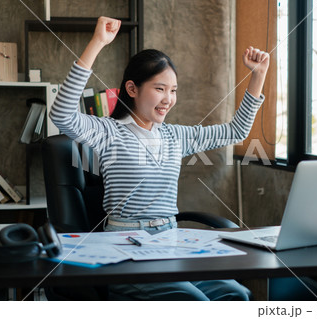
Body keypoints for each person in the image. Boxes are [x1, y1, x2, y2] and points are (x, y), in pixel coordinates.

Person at [50, 16, 269, 301]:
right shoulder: (108, 132)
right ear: (132, 89)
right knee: (196, 303)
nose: (168, 99)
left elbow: (236, 131)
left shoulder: (174, 136)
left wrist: (258, 75)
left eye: (173, 90)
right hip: (124, 248)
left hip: (170, 242)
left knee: (236, 295)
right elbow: (62, 114)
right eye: (159, 88)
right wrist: (98, 43)